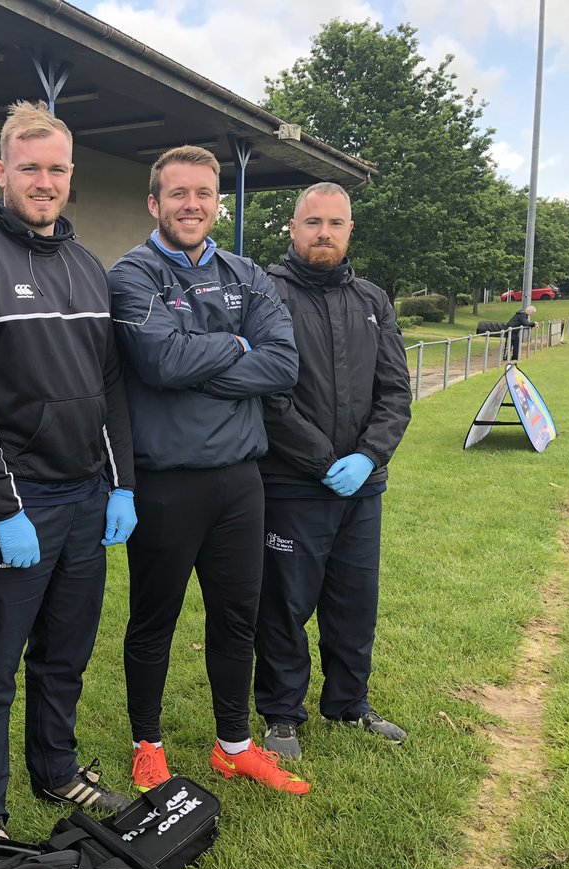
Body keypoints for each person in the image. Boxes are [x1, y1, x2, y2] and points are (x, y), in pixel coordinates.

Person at [0, 100, 138, 842]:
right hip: (17, 507)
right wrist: (3, 503)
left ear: (70, 176)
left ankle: (56, 770)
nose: (43, 181)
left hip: (88, 499)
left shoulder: (89, 268)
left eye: (56, 169)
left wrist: (124, 486)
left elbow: (111, 385)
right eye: (30, 168)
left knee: (65, 653)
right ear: (2, 171)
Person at [107, 145, 306, 795]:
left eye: (203, 194)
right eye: (178, 194)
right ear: (154, 202)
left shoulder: (246, 273)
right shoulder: (132, 276)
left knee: (236, 618)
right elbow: (159, 363)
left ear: (219, 201)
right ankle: (149, 744)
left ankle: (233, 745)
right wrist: (236, 347)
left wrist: (203, 363)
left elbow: (282, 365)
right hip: (166, 483)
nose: (191, 205)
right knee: (154, 620)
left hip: (239, 483)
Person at [254, 182, 412, 760]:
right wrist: (323, 462)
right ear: (293, 229)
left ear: (349, 231)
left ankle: (349, 703)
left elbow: (395, 391)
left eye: (336, 224)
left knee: (353, 601)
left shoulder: (372, 300)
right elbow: (268, 395)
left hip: (362, 488)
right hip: (293, 485)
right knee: (285, 604)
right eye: (313, 222)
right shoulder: (265, 294)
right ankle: (280, 714)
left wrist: (369, 456)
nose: (324, 233)